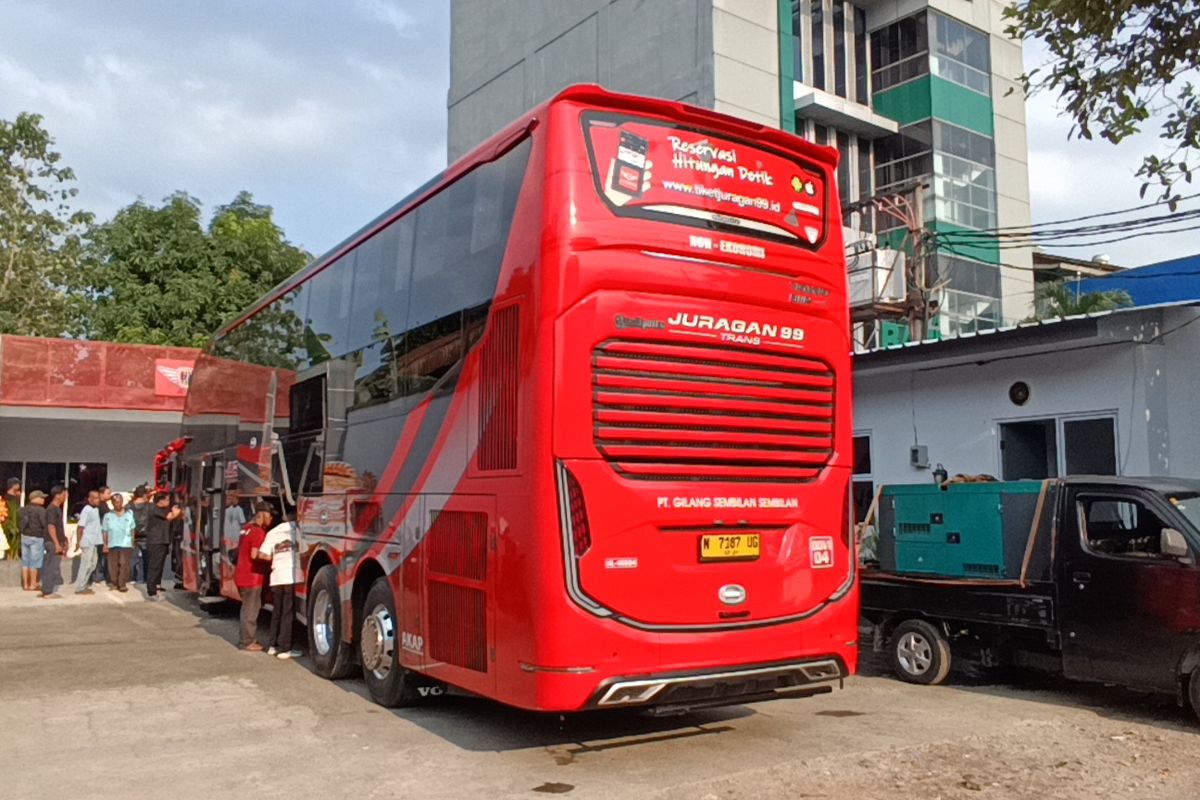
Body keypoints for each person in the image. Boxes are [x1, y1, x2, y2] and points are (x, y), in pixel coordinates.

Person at [259, 518, 302, 658]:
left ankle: (272, 645)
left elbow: (262, 554)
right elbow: (306, 550)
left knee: (276, 612)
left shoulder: (272, 532)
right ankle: (285, 648)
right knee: (288, 613)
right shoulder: (297, 531)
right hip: (291, 576)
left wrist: (276, 559)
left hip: (276, 576)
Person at [234, 502, 273, 651]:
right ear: (262, 515)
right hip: (252, 577)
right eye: (269, 516)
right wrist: (273, 557)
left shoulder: (245, 529)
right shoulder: (258, 532)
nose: (270, 519)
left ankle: (247, 639)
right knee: (250, 611)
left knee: (246, 609)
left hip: (241, 575)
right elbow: (255, 554)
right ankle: (247, 642)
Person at [144, 492, 180, 599]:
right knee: (154, 566)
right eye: (167, 500)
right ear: (161, 500)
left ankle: (157, 585)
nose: (169, 502)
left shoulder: (165, 509)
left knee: (160, 566)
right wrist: (175, 509)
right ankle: (151, 590)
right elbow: (171, 516)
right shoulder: (154, 509)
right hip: (156, 541)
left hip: (164, 540)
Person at [102, 493, 136, 592]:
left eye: (119, 502)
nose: (118, 504)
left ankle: (122, 584)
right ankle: (114, 582)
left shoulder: (129, 515)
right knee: (112, 565)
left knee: (124, 564)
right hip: (112, 543)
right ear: (112, 503)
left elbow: (132, 529)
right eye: (115, 502)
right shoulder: (107, 516)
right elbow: (105, 530)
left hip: (125, 543)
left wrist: (132, 542)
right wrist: (105, 544)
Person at [73, 490, 104, 595]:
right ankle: (80, 587)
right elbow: (80, 527)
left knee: (93, 564)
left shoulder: (95, 510)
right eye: (95, 498)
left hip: (94, 542)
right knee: (85, 564)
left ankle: (84, 583)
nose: (97, 500)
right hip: (87, 541)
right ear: (89, 499)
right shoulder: (87, 510)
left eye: (98, 497)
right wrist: (78, 542)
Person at [40, 487, 67, 598]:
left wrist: (64, 540)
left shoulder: (58, 509)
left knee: (54, 566)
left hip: (57, 541)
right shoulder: (51, 509)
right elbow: (51, 527)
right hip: (52, 542)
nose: (66, 497)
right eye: (64, 494)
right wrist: (56, 544)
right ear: (57, 495)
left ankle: (48, 589)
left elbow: (59, 527)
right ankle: (47, 591)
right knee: (50, 566)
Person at [18, 490, 47, 592]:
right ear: (36, 498)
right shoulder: (41, 510)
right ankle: (33, 584)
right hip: (37, 537)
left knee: (25, 562)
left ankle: (25, 584)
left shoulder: (23, 510)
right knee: (34, 562)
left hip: (24, 536)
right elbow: (45, 524)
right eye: (42, 497)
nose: (44, 499)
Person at [130, 485, 152, 583]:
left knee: (132, 559)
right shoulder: (149, 506)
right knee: (147, 559)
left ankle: (132, 578)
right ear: (144, 495)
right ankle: (146, 578)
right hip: (146, 535)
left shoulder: (128, 506)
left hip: (131, 535)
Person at [96, 485, 114, 585]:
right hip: (102, 535)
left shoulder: (104, 505)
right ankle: (101, 576)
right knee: (102, 557)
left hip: (104, 535)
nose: (110, 495)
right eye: (108, 493)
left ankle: (101, 576)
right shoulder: (101, 506)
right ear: (101, 494)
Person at [2, 477, 20, 560]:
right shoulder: (6, 499)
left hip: (14, 526)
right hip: (8, 526)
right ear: (13, 485)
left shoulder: (16, 498)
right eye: (17, 484)